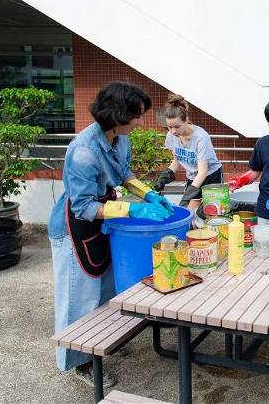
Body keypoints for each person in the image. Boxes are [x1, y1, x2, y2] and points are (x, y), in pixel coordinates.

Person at [47, 81, 174, 387]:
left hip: (106, 217)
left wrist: (147, 195)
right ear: (117, 115)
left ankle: (99, 343)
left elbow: (125, 173)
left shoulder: (121, 138)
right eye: (137, 116)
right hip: (74, 227)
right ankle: (79, 363)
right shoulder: (83, 152)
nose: (140, 122)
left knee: (105, 287)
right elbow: (83, 206)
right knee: (78, 297)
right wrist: (132, 211)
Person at [154, 94, 223, 212]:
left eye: (177, 126)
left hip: (211, 175)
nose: (173, 131)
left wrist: (188, 195)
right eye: (169, 127)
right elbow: (177, 160)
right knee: (188, 213)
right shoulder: (171, 135)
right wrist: (165, 176)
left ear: (186, 120)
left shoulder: (201, 137)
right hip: (193, 176)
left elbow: (203, 172)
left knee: (214, 212)